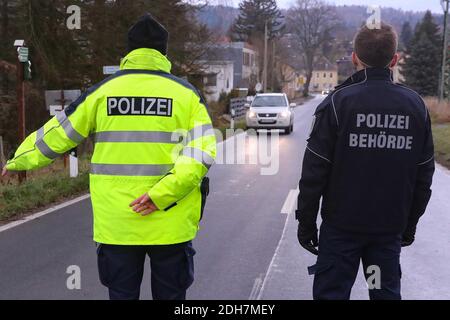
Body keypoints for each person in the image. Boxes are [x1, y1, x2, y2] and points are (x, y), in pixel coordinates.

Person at [1, 13, 216, 300]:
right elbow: (200, 156)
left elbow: (57, 134)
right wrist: (161, 195)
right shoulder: (187, 96)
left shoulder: (101, 93)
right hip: (171, 224)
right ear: (164, 53)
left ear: (128, 51)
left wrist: (17, 160)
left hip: (118, 225)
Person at [295, 23, 435, 300]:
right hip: (385, 233)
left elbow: (314, 171)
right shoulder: (415, 106)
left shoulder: (338, 103)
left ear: (354, 58)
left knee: (332, 295)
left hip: (340, 232)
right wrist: (409, 224)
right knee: (382, 294)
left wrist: (306, 223)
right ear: (394, 60)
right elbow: (424, 175)